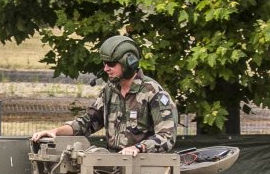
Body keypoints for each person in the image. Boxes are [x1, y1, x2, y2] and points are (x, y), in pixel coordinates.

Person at [30, 34, 177, 156]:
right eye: (105, 63)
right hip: (113, 165)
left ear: (129, 63)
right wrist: (55, 132)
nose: (106, 68)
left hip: (143, 169)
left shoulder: (152, 92)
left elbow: (166, 137)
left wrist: (138, 148)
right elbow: (87, 122)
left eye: (111, 64)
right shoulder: (110, 90)